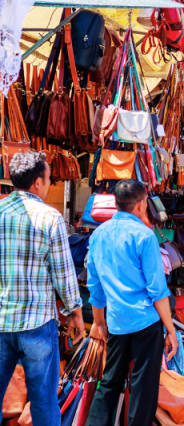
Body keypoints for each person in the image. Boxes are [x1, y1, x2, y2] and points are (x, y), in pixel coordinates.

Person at [85, 180, 177, 426]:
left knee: (109, 382)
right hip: (146, 321)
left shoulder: (98, 234)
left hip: (116, 321)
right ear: (141, 204)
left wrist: (98, 322)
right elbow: (157, 290)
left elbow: (95, 286)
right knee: (143, 386)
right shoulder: (144, 236)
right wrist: (171, 329)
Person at [0, 152, 82, 426]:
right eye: (48, 179)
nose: (49, 184)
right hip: (37, 324)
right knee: (44, 403)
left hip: (1, 323)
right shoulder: (50, 217)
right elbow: (63, 272)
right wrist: (75, 313)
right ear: (37, 183)